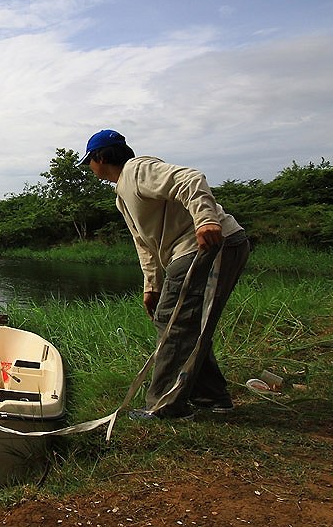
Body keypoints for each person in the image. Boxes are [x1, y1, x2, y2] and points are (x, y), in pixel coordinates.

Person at [78, 129, 251, 420]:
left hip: (206, 247)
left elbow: (190, 178)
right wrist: (152, 286)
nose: (90, 169)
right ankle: (212, 399)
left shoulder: (137, 169)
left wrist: (206, 219)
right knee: (180, 323)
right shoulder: (123, 193)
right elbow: (144, 245)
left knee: (176, 325)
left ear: (101, 157)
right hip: (188, 253)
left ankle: (165, 408)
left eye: (89, 162)